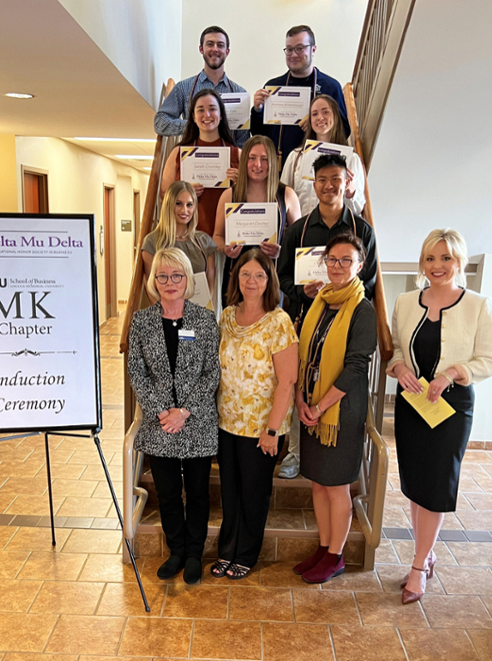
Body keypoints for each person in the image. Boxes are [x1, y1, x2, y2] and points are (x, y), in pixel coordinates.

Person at [387, 229, 492, 603]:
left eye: (446, 258)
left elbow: (490, 360)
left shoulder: (478, 305)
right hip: (414, 406)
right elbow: (397, 350)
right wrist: (399, 367)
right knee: (417, 487)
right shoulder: (404, 302)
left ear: (459, 261)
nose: (438, 266)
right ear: (422, 262)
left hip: (451, 410)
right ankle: (427, 553)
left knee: (437, 486)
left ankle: (419, 567)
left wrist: (452, 373)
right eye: (431, 258)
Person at [277, 153, 378, 479]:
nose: (329, 185)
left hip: (345, 325)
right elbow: (281, 280)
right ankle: (295, 452)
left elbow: (371, 279)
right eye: (322, 180)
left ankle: (333, 451)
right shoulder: (298, 231)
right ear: (314, 184)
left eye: (335, 179)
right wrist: (303, 293)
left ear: (347, 182)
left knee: (334, 385)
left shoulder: (362, 230)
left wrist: (341, 288)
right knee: (301, 384)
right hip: (306, 321)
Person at [128, 248, 220, 585]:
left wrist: (184, 412)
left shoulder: (205, 320)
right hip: (159, 425)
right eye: (163, 276)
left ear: (187, 280)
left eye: (177, 276)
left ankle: (195, 553)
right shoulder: (141, 321)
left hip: (196, 423)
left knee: (197, 492)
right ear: (154, 281)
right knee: (167, 493)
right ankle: (176, 550)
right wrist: (162, 412)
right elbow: (136, 372)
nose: (170, 282)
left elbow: (212, 373)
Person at [293, 232, 377, 583]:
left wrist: (321, 404)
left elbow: (357, 366)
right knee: (317, 484)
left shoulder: (362, 309)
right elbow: (301, 352)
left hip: (340, 411)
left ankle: (336, 555)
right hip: (311, 405)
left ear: (359, 266)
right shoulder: (320, 301)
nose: (338, 266)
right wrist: (301, 399)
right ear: (324, 263)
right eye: (332, 259)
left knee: (337, 486)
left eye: (346, 260)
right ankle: (323, 546)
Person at [211, 249, 298, 580]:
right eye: (245, 274)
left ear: (269, 280)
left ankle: (245, 553)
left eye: (259, 275)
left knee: (254, 493)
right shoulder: (227, 317)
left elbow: (287, 381)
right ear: (236, 278)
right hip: (226, 423)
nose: (251, 281)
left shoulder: (278, 321)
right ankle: (227, 551)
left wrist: (272, 430)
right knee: (230, 493)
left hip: (261, 427)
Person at [213, 135, 301, 305]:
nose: (257, 165)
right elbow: (217, 236)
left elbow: (299, 242)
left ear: (273, 163)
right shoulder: (230, 195)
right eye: (252, 158)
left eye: (264, 159)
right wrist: (225, 249)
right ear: (245, 160)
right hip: (236, 279)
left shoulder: (286, 195)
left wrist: (281, 251)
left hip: (273, 279)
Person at [251, 25, 349, 172]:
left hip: (317, 170)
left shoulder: (331, 87)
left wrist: (319, 122)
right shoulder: (272, 87)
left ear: (313, 49)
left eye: (299, 48)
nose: (294, 54)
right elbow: (259, 134)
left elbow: (344, 131)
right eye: (289, 49)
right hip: (278, 169)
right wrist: (257, 110)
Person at [161, 88, 241, 237]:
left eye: (212, 109)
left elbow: (250, 198)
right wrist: (184, 192)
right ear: (193, 116)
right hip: (187, 238)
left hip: (226, 239)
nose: (207, 115)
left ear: (221, 115)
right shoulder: (178, 153)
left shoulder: (237, 154)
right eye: (200, 110)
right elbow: (164, 195)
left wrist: (241, 184)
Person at [154, 26, 249, 148]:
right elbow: (160, 122)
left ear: (227, 51)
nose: (215, 49)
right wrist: (194, 124)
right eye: (210, 44)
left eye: (220, 45)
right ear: (201, 49)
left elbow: (243, 141)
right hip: (192, 161)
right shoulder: (183, 88)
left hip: (228, 163)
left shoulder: (239, 93)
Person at [281, 94, 365, 217]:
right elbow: (283, 198)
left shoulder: (351, 159)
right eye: (314, 114)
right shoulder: (295, 157)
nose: (320, 117)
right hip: (303, 231)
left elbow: (357, 209)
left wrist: (350, 191)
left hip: (337, 233)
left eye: (325, 112)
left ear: (335, 116)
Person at [142, 181, 216, 301]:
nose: (184, 210)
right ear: (168, 205)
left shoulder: (205, 241)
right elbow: (151, 289)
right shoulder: (152, 242)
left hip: (198, 313)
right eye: (178, 204)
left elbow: (210, 287)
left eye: (189, 205)